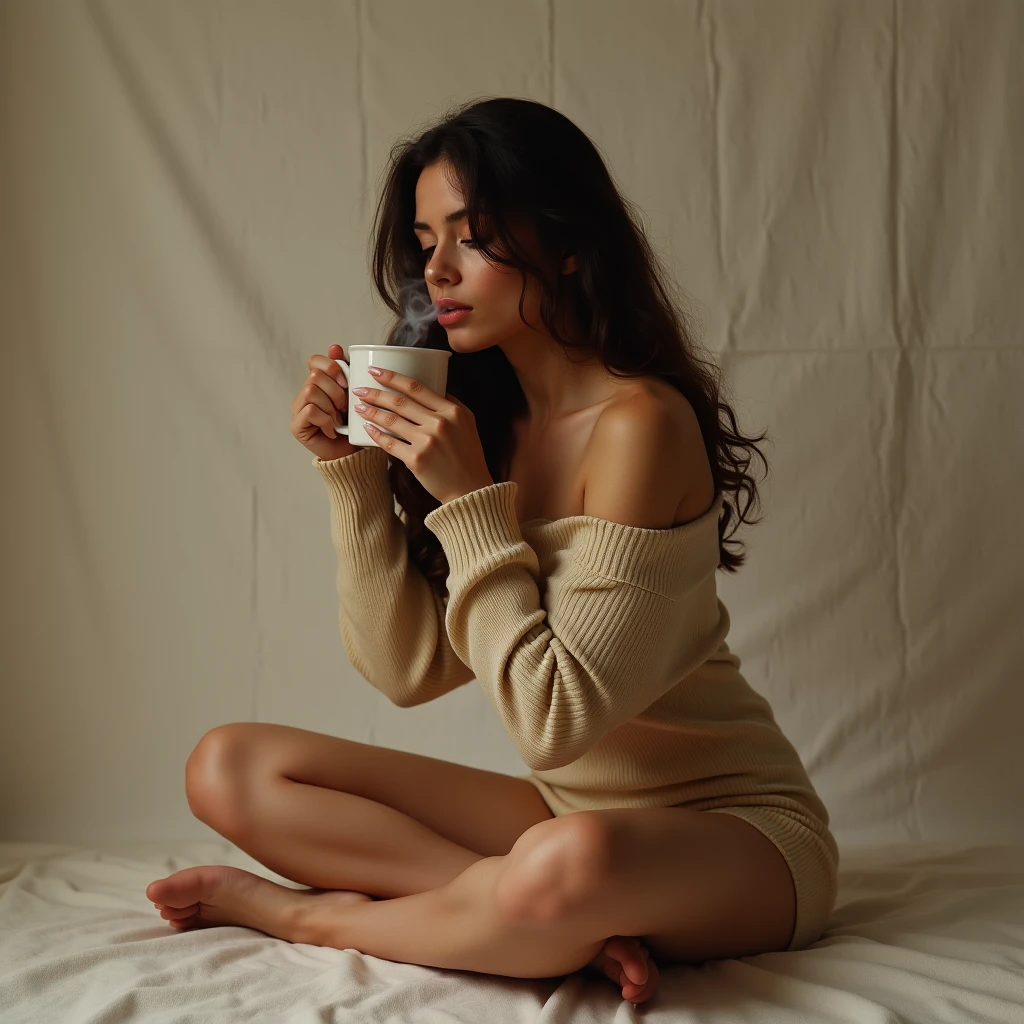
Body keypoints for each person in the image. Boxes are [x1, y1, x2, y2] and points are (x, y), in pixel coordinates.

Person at [146, 97, 838, 1007]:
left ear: (568, 245)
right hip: (568, 814)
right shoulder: (493, 426)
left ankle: (311, 916)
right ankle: (529, 917)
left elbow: (557, 719)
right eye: (425, 240)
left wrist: (471, 500)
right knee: (228, 765)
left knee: (569, 860)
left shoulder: (642, 425)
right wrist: (354, 477)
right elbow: (408, 669)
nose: (436, 270)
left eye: (471, 237)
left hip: (738, 835)